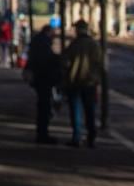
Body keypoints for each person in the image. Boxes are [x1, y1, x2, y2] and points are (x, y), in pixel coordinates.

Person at [62, 20, 103, 148]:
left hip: (74, 82)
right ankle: (91, 137)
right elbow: (99, 63)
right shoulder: (94, 45)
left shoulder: (73, 45)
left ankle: (76, 137)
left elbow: (65, 62)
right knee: (90, 111)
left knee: (76, 111)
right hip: (90, 83)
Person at [25, 24, 61, 144]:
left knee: (44, 106)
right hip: (44, 78)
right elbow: (45, 60)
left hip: (40, 78)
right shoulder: (44, 44)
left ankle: (42, 133)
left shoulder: (38, 42)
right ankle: (42, 134)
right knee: (44, 107)